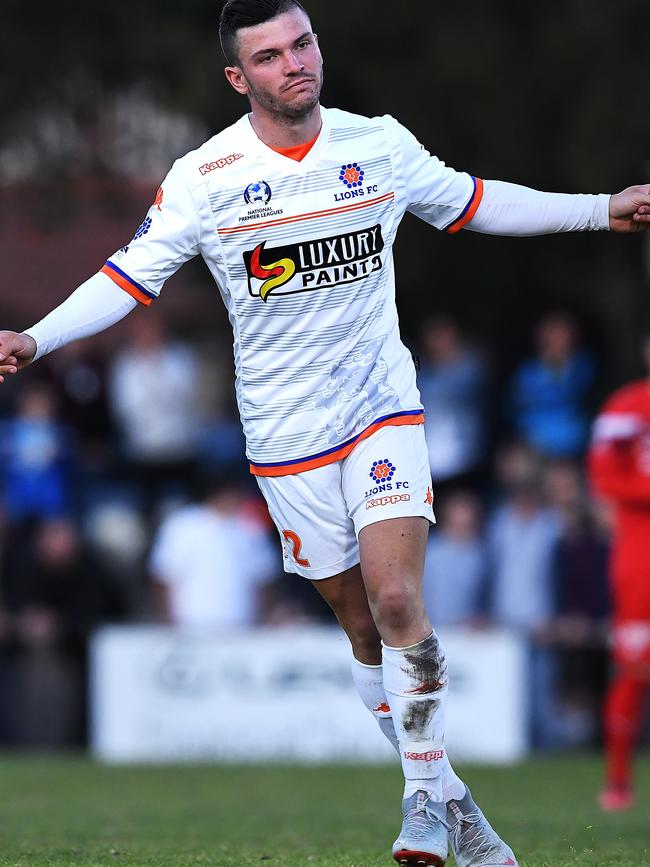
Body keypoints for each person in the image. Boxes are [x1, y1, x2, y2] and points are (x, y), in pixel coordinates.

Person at [0, 1, 649, 862]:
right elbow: (129, 275)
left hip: (380, 405)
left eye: (302, 44)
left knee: (395, 597)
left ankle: (421, 800)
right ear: (240, 78)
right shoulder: (207, 175)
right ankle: (458, 806)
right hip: (285, 436)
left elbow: (472, 202)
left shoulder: (375, 142)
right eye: (269, 57)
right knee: (361, 628)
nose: (294, 64)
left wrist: (600, 208)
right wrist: (36, 336)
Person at [588, 337, 650, 811]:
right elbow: (604, 474)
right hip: (639, 551)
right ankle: (618, 779)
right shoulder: (627, 407)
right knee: (634, 663)